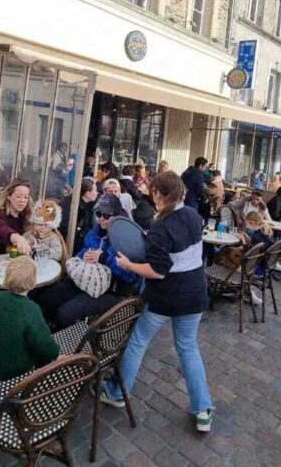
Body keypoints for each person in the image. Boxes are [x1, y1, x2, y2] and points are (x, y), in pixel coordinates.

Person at [100, 171, 213, 432]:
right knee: (188, 348)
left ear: (158, 195)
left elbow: (158, 270)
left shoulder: (162, 228)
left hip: (166, 296)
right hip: (195, 292)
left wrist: (128, 264)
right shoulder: (194, 216)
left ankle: (118, 394)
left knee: (138, 341)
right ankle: (203, 410)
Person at [34, 194, 139, 328]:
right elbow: (82, 251)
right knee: (48, 299)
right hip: (86, 278)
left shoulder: (127, 238)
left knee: (64, 314)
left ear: (118, 215)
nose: (101, 219)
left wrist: (104, 258)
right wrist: (84, 256)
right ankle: (42, 333)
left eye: (107, 215)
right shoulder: (95, 232)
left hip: (112, 290)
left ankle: (62, 341)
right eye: (99, 213)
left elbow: (130, 276)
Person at [0, 256, 59, 386]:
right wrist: (56, 355)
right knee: (43, 356)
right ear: (33, 283)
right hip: (15, 377)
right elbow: (43, 344)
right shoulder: (31, 308)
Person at [0, 178, 33, 255]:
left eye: (26, 197)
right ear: (9, 196)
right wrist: (17, 238)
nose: (22, 200)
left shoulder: (24, 217)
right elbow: (1, 229)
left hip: (12, 260)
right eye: (18, 196)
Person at [62, 177, 98, 254]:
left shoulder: (88, 204)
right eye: (95, 190)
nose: (97, 193)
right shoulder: (71, 205)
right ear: (88, 193)